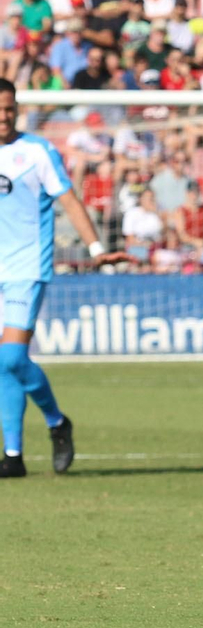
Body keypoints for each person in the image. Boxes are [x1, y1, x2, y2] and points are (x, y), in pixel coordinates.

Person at [0, 78, 123, 478]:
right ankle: (13, 456)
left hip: (26, 269)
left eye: (9, 108)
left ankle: (56, 420)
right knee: (4, 365)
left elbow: (68, 198)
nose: (4, 116)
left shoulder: (37, 151)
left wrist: (96, 249)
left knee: (10, 357)